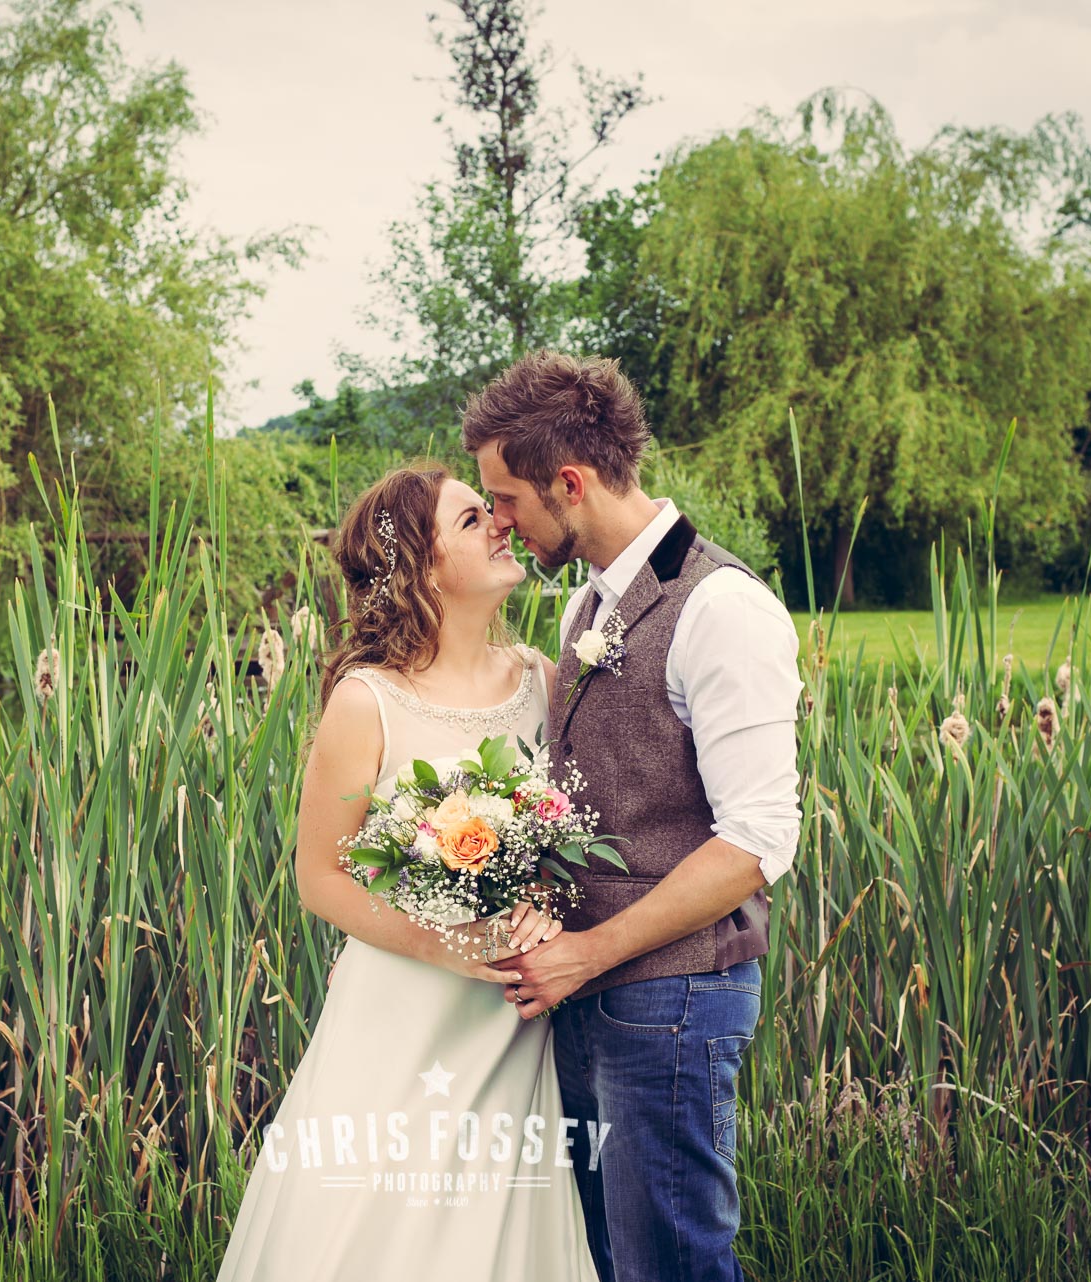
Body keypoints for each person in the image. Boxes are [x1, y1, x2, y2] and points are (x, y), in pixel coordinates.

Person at [214, 464, 602, 1282]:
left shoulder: (541, 679)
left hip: (511, 1019)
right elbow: (320, 876)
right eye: (471, 520)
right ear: (422, 571)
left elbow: (565, 834)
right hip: (401, 1009)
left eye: (490, 510)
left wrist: (539, 903)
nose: (501, 523)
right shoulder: (368, 702)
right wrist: (446, 946)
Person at [466, 351, 804, 1282]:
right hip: (593, 996)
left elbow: (757, 841)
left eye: (506, 498)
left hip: (676, 1001)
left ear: (570, 484)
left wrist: (587, 954)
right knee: (614, 1262)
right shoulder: (587, 604)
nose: (499, 519)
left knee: (673, 1262)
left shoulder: (723, 610)